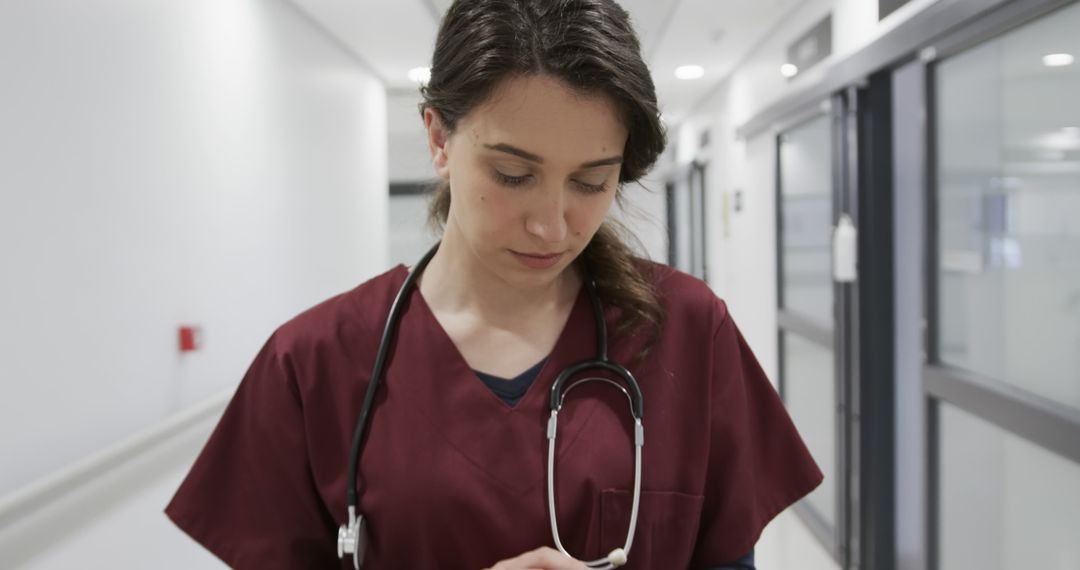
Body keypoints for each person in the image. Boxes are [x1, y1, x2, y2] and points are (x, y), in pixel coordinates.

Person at [165, 0, 823, 568]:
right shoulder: (314, 363)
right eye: (513, 174)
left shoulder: (683, 330)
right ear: (439, 139)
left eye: (592, 182)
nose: (551, 224)